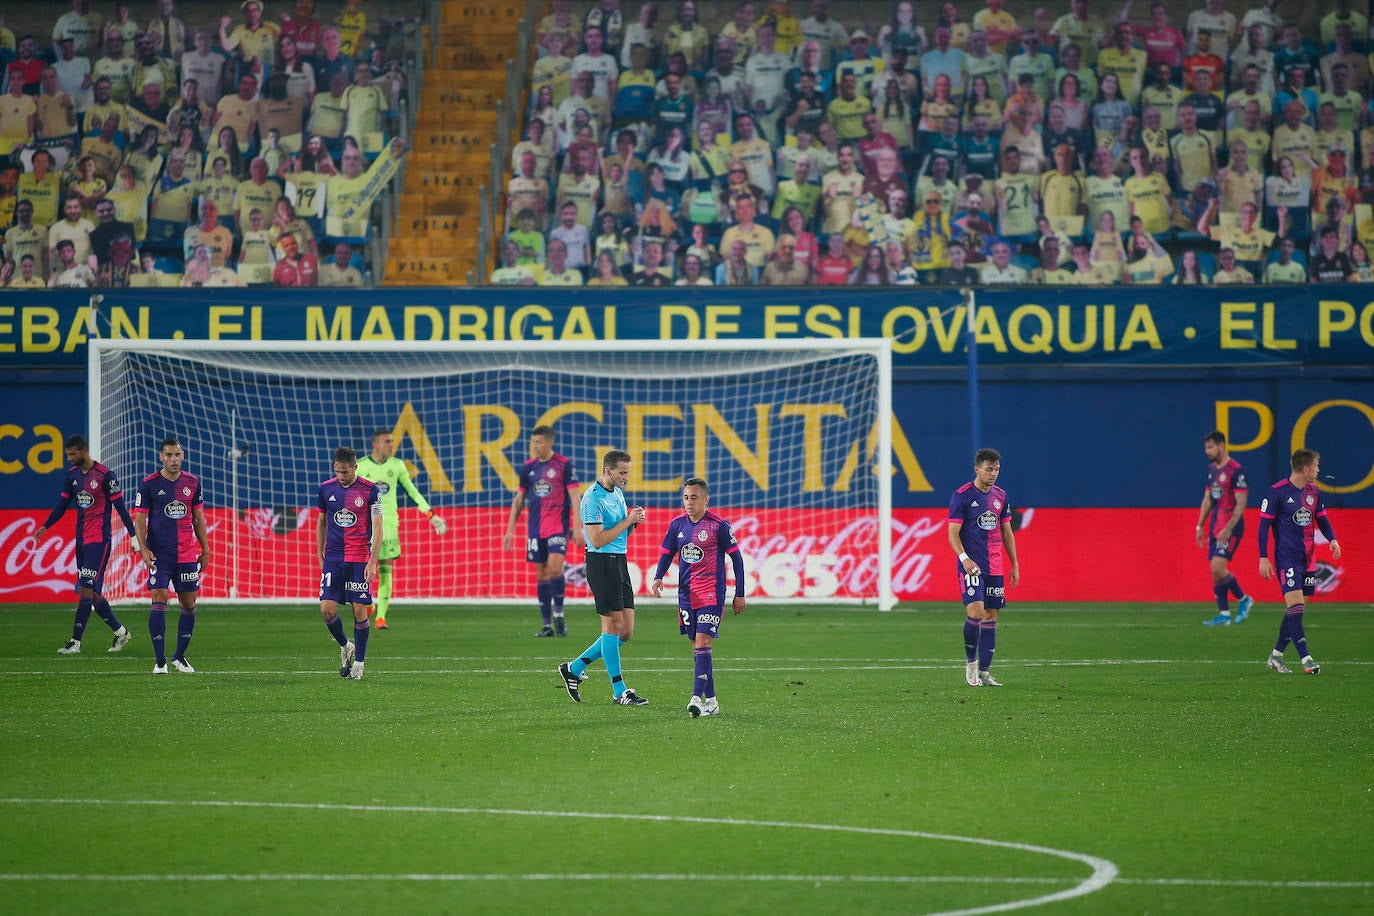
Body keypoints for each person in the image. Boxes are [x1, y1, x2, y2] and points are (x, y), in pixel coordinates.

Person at [558, 449, 648, 706]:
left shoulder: (617, 494)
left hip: (619, 561)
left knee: (626, 631)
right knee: (611, 626)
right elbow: (596, 540)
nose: (625, 477)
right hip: (601, 564)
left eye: (627, 473)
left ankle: (574, 668)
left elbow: (619, 535)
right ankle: (620, 691)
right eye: (622, 472)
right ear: (607, 470)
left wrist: (632, 525)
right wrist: (627, 520)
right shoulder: (591, 498)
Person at [651, 476, 746, 718]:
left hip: (711, 595)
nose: (689, 502)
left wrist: (740, 594)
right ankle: (712, 701)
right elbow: (666, 553)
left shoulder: (719, 525)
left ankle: (695, 698)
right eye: (686, 497)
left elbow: (737, 559)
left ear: (706, 499)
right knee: (697, 649)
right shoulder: (677, 525)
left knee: (703, 643)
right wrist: (658, 576)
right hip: (685, 595)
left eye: (694, 497)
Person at [36, 435, 138, 656]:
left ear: (83, 451)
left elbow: (121, 508)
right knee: (92, 594)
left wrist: (133, 536)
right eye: (68, 454)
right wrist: (46, 526)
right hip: (81, 541)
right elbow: (63, 505)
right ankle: (121, 632)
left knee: (85, 589)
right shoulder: (72, 476)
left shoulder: (105, 476)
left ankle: (75, 642)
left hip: (99, 541)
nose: (69, 458)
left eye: (72, 454)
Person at [1258, 449, 1342, 676]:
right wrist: (1263, 557)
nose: (1318, 470)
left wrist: (1332, 539)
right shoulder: (1276, 493)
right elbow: (1263, 527)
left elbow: (1322, 519)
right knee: (1296, 607)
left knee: (1296, 610)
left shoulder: (1313, 491)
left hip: (1309, 558)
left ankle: (1276, 655)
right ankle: (1306, 659)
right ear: (1305, 468)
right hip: (1287, 558)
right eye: (1316, 466)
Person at [354, 429, 447, 630]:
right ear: (375, 444)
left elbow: (412, 491)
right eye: (387, 441)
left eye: (392, 441)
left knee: (386, 569)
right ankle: (368, 603)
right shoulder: (360, 466)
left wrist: (430, 514)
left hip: (389, 525)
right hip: (365, 526)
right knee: (365, 568)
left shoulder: (397, 466)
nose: (391, 445)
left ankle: (381, 617)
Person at [133, 436, 210, 675]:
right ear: (161, 457)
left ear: (183, 455)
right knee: (159, 598)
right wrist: (144, 548)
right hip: (160, 555)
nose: (173, 459)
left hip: (186, 553)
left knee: (188, 603)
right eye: (169, 455)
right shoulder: (148, 484)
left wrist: (205, 549)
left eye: (177, 454)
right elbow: (140, 519)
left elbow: (198, 518)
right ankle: (159, 661)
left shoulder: (193, 483)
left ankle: (179, 657)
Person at [948, 447, 1020, 688]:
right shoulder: (963, 495)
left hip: (996, 566)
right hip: (971, 566)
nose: (994, 473)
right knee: (976, 613)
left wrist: (1015, 563)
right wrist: (964, 559)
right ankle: (971, 664)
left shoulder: (1001, 496)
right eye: (989, 469)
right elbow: (952, 534)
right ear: (977, 469)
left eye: (997, 469)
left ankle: (985, 672)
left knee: (991, 616)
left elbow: (1007, 532)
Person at [504, 425, 583, 638]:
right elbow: (519, 499)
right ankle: (547, 625)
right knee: (541, 574)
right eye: (533, 442)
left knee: (555, 570)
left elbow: (575, 496)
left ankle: (559, 613)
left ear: (550, 442)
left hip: (558, 527)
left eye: (539, 442)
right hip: (535, 529)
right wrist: (510, 530)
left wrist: (578, 526)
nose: (535, 446)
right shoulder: (528, 468)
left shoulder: (564, 465)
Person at [316, 446, 382, 681]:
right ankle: (345, 646)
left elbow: (378, 528)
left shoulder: (370, 490)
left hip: (359, 559)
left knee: (358, 610)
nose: (341, 477)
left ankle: (360, 665)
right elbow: (322, 521)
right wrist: (319, 551)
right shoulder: (325, 489)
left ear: (355, 467)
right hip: (333, 558)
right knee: (326, 609)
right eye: (338, 472)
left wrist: (372, 562)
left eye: (345, 472)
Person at [1196, 431, 1255, 627]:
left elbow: (1241, 503)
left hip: (1231, 526)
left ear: (1221, 446)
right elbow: (1207, 500)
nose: (1207, 451)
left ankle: (1244, 599)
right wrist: (1199, 525)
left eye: (1210, 447)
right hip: (1216, 525)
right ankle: (1224, 614)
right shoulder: (1211, 470)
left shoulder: (1236, 470)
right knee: (1215, 572)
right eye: (1206, 448)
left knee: (1217, 567)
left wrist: (1229, 528)